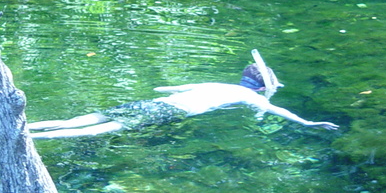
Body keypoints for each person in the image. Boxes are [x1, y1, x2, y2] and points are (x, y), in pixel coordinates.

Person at [27, 56, 339, 139]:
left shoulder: (218, 83)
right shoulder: (253, 99)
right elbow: (282, 113)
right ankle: (26, 139)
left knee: (81, 121)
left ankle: (26, 127)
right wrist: (311, 123)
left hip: (149, 104)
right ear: (262, 88)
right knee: (94, 132)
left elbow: (165, 89)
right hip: (170, 112)